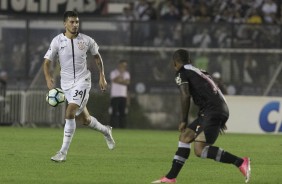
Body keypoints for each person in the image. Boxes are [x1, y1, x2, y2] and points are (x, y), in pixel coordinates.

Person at [152, 49, 251, 183]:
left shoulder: (182, 73)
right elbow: (216, 90)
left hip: (212, 111)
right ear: (190, 60)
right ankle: (170, 178)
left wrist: (183, 120)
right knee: (185, 137)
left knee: (200, 150)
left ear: (175, 63)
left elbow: (185, 95)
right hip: (213, 110)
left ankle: (240, 162)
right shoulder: (200, 71)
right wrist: (222, 113)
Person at [43, 11, 115, 162]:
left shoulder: (86, 40)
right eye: (72, 22)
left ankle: (62, 153)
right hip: (66, 85)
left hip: (83, 81)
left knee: (70, 112)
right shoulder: (57, 41)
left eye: (77, 22)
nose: (75, 24)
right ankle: (106, 130)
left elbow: (97, 57)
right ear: (65, 24)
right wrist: (48, 76)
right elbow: (47, 61)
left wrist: (102, 75)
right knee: (85, 120)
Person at [109, 60, 130, 128]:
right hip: (115, 96)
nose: (124, 67)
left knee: (122, 113)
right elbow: (114, 80)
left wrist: (120, 80)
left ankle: (122, 127)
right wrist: (121, 78)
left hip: (123, 96)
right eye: (123, 65)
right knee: (114, 112)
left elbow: (127, 82)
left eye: (125, 65)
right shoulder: (113, 72)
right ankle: (113, 127)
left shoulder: (126, 73)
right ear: (119, 65)